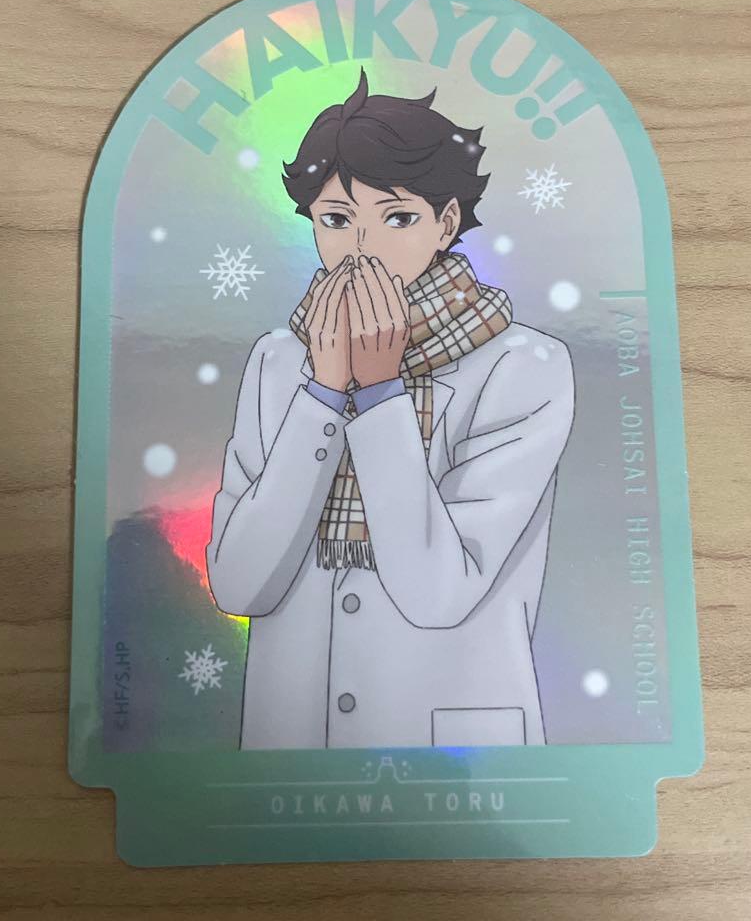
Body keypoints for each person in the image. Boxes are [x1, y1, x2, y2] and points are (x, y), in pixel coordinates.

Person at [206, 70, 575, 749]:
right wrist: (323, 394)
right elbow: (237, 584)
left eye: (397, 218)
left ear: (446, 223)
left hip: (452, 750)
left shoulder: (523, 366)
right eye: (336, 220)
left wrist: (378, 392)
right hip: (294, 745)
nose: (363, 249)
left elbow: (440, 592)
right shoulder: (279, 361)